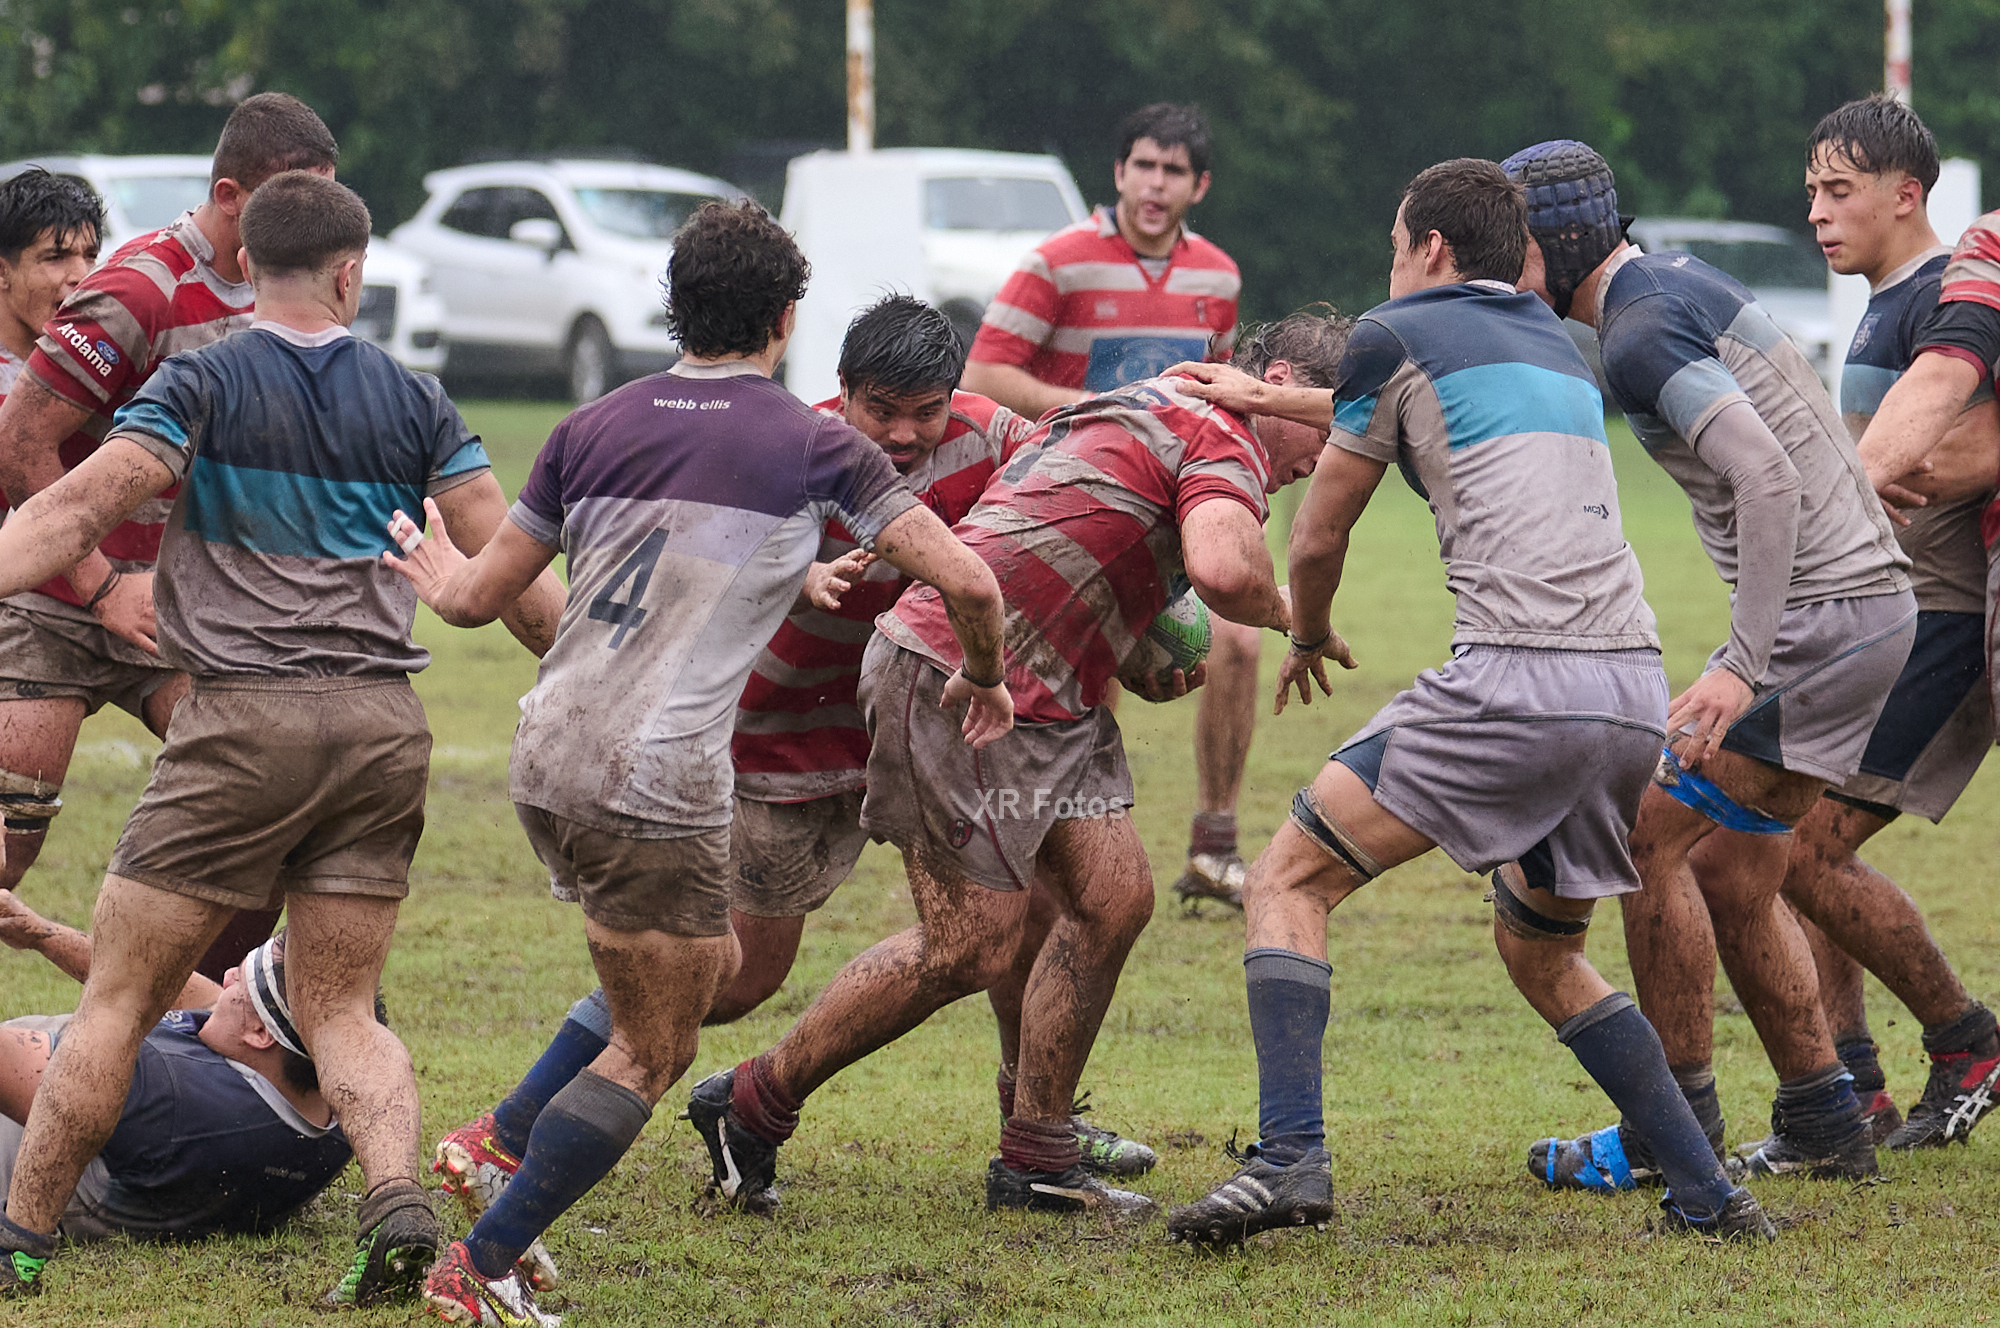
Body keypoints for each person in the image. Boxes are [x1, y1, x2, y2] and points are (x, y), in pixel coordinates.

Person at [387, 202, 1008, 1327]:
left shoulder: (590, 424)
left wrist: (437, 574)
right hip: (656, 778)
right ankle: (479, 1262)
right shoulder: (817, 443)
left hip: (546, 755)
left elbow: (477, 600)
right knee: (654, 1047)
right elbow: (970, 581)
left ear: (676, 309)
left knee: (697, 971)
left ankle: (498, 1151)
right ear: (786, 319)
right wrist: (987, 677)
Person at [426, 298, 1154, 1248]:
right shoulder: (797, 449)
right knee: (723, 977)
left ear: (955, 397)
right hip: (786, 738)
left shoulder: (996, 438)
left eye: (925, 412)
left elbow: (1062, 509)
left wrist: (1150, 624)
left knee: (1045, 907)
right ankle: (510, 1129)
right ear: (841, 390)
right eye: (880, 409)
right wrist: (798, 576)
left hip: (931, 726)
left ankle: (1039, 1129)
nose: (902, 435)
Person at [1164, 158, 1767, 1246]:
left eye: (1396, 245)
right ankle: (1709, 1192)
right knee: (1542, 949)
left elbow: (1317, 534)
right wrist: (1267, 395)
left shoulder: (1393, 331)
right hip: (1631, 692)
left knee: (1287, 877)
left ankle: (1289, 1155)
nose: (1390, 265)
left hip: (1515, 682)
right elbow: (1398, 400)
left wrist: (1306, 631)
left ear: (1431, 247)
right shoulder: (1558, 345)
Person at [0, 170, 562, 1305]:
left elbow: (72, 510)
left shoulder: (199, 381)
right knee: (340, 1006)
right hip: (381, 729)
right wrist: (588, 669)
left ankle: (20, 1238)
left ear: (248, 263)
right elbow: (505, 561)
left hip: (244, 721)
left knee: (119, 998)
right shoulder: (416, 398)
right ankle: (393, 1193)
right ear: (352, 273)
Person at [683, 308, 1338, 1226]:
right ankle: (751, 1105)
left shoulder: (1151, 400)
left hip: (1053, 690)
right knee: (970, 944)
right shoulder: (1223, 432)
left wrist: (1136, 634)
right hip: (952, 673)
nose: (1330, 454)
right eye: (1328, 427)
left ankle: (1037, 1154)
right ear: (1277, 385)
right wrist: (1296, 617)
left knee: (1113, 898)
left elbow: (1058, 508)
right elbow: (1225, 570)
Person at [1502, 140, 1914, 1188]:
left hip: (1823, 624)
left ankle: (1667, 1131)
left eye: (1510, 249)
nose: (1501, 272)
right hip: (1862, 615)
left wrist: (1741, 660)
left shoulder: (1637, 333)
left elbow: (1766, 478)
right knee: (1735, 867)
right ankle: (1823, 1117)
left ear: (1556, 245)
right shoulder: (1672, 282)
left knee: (1648, 833)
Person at [0, 93, 340, 984]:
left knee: (268, 818)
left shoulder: (288, 298)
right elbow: (20, 445)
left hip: (177, 612)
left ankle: (200, 1024)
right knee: (6, 846)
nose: (310, 226)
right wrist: (101, 585)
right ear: (231, 197)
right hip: (55, 603)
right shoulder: (139, 290)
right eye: (291, 203)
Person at [963, 102, 1260, 909]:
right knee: (1094, 671)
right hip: (1076, 504)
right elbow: (984, 376)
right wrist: (1106, 411)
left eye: (1173, 171)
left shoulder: (1217, 278)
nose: (1156, 185)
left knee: (1238, 642)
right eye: (1144, 167)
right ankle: (1059, 846)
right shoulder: (1058, 263)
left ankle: (1215, 845)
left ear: (1199, 186)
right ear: (1120, 172)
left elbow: (1220, 390)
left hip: (1177, 505)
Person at [1782, 96, 2000, 1150]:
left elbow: (1981, 443)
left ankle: (1963, 1040)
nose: (1817, 213)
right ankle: (1852, 1081)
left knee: (1801, 846)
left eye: (1838, 190)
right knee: (1789, 837)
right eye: (1810, 192)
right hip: (1878, 620)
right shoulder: (1882, 300)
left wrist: (1866, 480)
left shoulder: (1946, 292)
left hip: (1940, 617)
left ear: (1905, 194)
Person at [0, 901, 358, 1242]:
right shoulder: (335, 1107)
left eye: (241, 981)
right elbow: (182, 991)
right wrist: (39, 933)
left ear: (260, 1033)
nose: (228, 976)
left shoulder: (163, 1091)